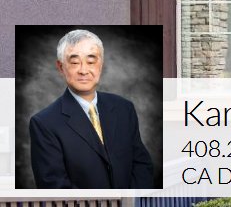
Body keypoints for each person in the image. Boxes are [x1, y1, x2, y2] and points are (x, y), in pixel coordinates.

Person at [28, 29, 155, 189]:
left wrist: (134, 200)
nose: (83, 70)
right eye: (75, 62)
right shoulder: (44, 123)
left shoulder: (124, 108)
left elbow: (141, 164)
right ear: (61, 67)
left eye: (91, 61)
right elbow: (54, 185)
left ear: (100, 64)